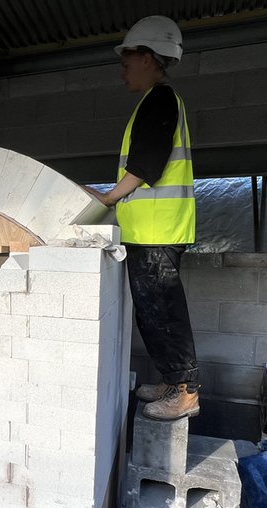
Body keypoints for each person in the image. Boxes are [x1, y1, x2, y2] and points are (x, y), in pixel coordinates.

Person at [83, 15, 199, 421]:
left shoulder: (160, 100)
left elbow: (147, 163)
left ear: (149, 58)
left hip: (157, 230)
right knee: (151, 311)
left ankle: (185, 392)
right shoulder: (155, 103)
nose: (123, 72)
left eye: (127, 62)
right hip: (149, 230)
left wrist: (108, 198)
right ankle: (172, 381)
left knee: (163, 311)